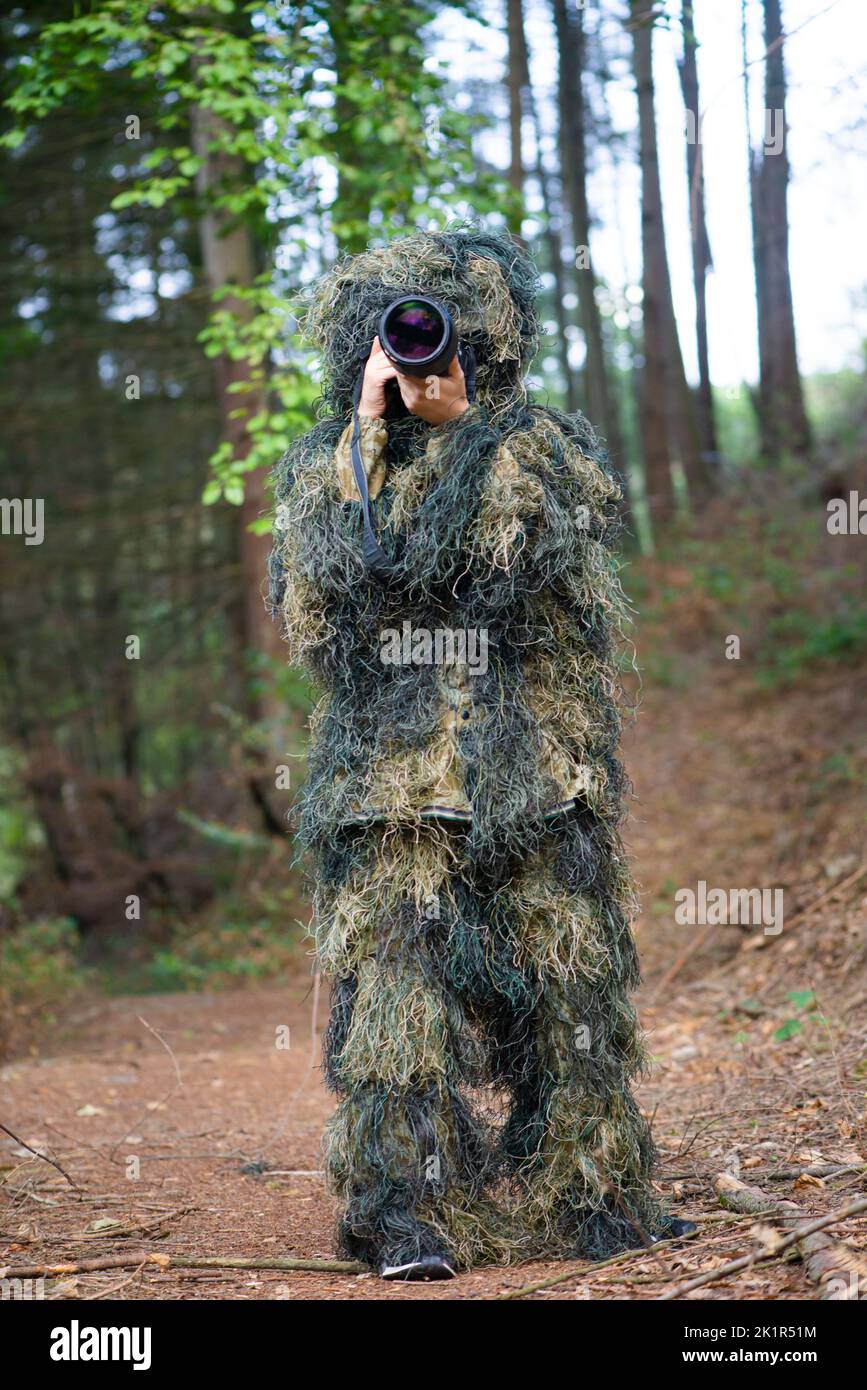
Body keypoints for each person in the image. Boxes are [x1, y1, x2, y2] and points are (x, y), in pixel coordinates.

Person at [269, 224, 695, 1280]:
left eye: (435, 330)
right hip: (395, 787)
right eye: (399, 332)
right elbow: (321, 614)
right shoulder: (329, 465)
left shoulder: (540, 445)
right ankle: (400, 1212)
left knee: (573, 987)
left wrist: (465, 431)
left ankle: (595, 1191)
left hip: (539, 776)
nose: (419, 348)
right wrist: (367, 439)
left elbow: (539, 553)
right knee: (397, 1006)